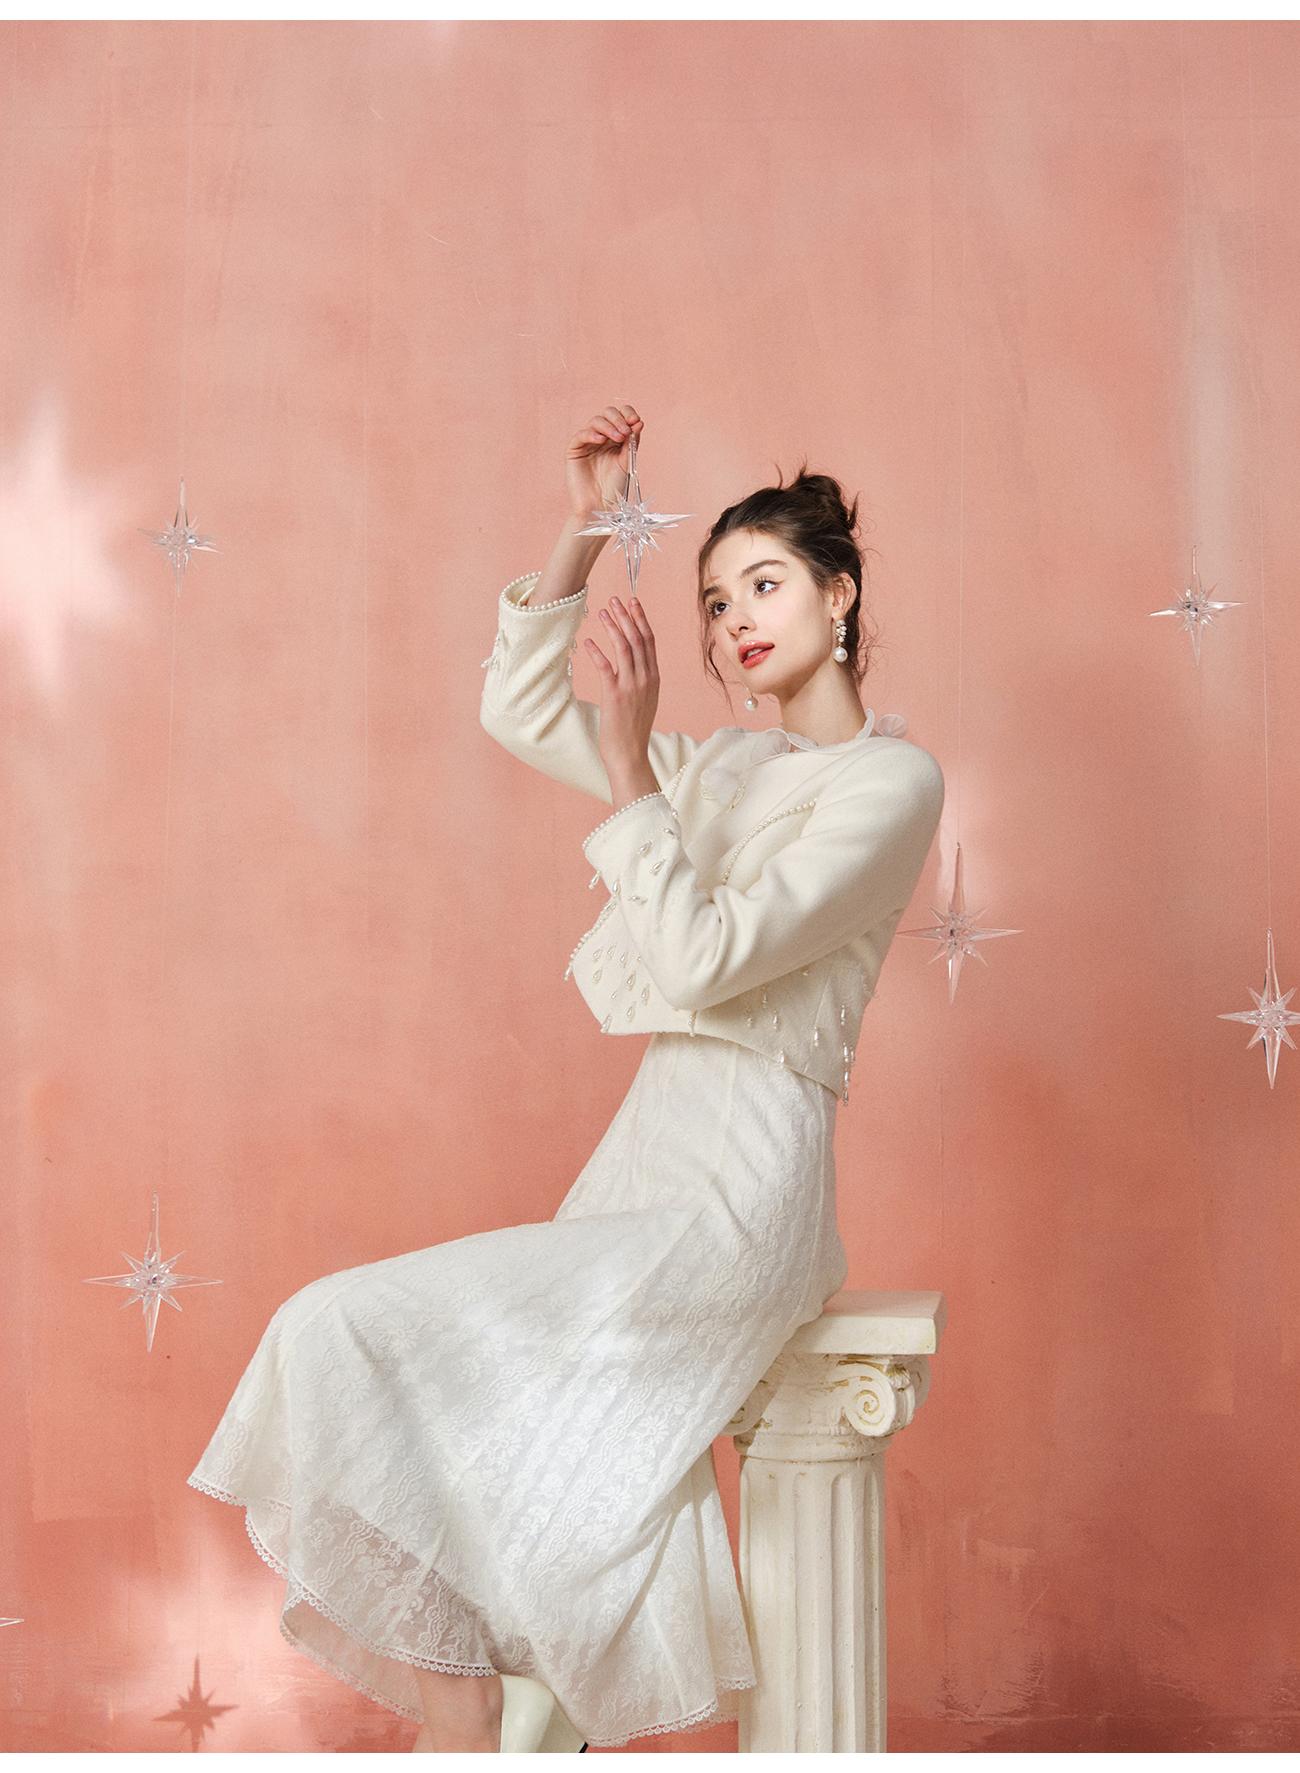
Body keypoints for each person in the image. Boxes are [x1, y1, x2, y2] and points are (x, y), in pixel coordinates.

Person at [185, 403, 945, 1752]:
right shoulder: (721, 770)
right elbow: (518, 704)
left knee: (396, 1356)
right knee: (376, 1356)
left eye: (765, 584)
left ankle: (471, 1702)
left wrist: (632, 775)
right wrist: (585, 532)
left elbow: (708, 956)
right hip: (645, 1161)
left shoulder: (892, 783)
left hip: (740, 1196)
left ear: (839, 594)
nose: (735, 620)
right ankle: (475, 1697)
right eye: (715, 601)